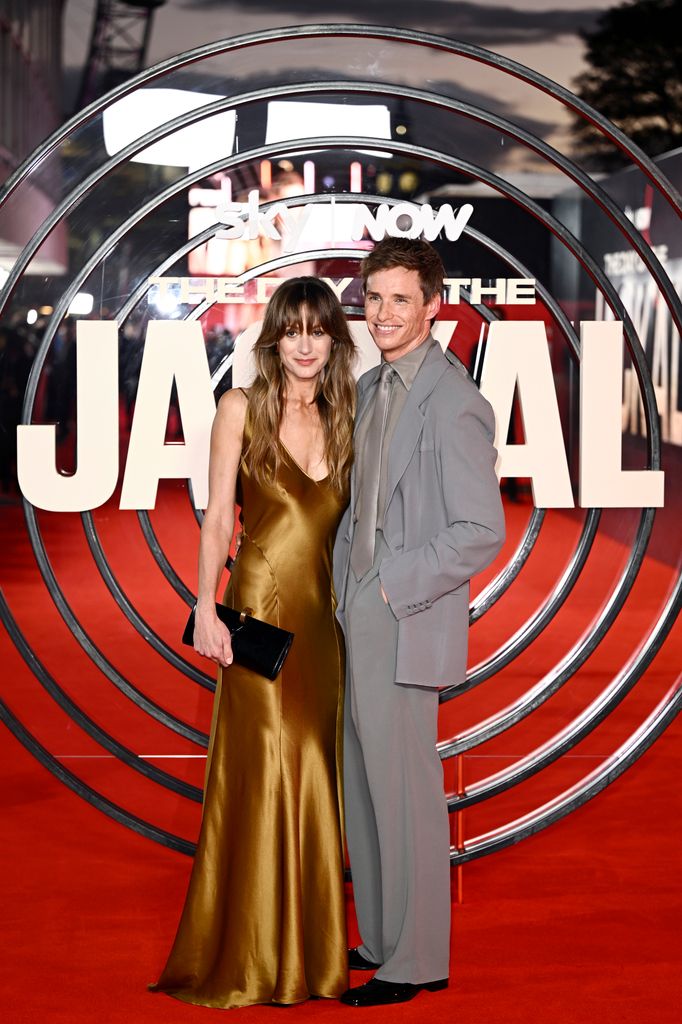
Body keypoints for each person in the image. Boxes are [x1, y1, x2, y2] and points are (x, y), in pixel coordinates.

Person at [150, 277, 356, 1009]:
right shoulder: (239, 408)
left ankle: (309, 949)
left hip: (326, 626)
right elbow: (215, 521)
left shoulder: (349, 415)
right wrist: (204, 604)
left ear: (334, 339)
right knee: (264, 769)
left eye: (318, 329)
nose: (305, 342)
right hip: (259, 619)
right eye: (292, 328)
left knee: (313, 772)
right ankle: (254, 952)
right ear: (274, 337)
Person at [333, 237, 505, 1007]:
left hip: (402, 613)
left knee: (406, 790)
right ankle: (380, 935)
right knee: (363, 787)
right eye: (374, 298)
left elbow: (481, 530)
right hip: (354, 608)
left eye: (401, 299)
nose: (384, 313)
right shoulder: (370, 387)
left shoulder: (457, 399)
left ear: (434, 307)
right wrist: (342, 588)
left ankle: (418, 959)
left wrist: (388, 588)